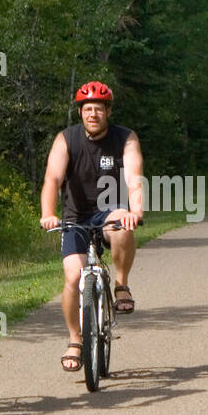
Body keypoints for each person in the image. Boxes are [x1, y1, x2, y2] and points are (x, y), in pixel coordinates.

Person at [40, 81, 144, 371]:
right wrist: (48, 213)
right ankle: (75, 340)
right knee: (73, 277)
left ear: (108, 111)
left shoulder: (125, 138)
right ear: (80, 112)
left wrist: (135, 209)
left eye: (99, 108)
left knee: (122, 222)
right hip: (75, 215)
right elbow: (52, 179)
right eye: (87, 109)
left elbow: (134, 177)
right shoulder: (66, 139)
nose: (93, 114)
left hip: (110, 209)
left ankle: (121, 284)